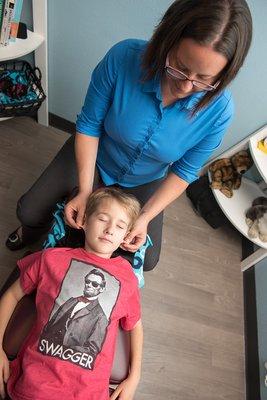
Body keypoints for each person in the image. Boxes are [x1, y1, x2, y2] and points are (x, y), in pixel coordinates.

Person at [6, 0, 253, 271]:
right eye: (180, 67)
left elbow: (185, 171)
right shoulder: (124, 57)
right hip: (97, 155)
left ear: (224, 75)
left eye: (203, 80)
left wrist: (145, 217)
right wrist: (86, 190)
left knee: (146, 259)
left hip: (145, 181)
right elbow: (89, 126)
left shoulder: (220, 111)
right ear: (165, 40)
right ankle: (32, 232)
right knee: (29, 211)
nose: (185, 86)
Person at [0, 188, 143, 400]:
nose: (110, 229)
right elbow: (11, 295)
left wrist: (135, 376)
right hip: (34, 386)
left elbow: (136, 325)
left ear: (125, 237)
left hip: (88, 392)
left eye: (120, 226)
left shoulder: (127, 278)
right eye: (103, 219)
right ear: (84, 221)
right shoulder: (50, 259)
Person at [42, 269, 108, 358]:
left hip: (64, 356)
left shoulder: (101, 317)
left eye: (94, 284)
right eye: (87, 282)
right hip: (43, 347)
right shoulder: (71, 300)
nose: (89, 285)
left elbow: (92, 350)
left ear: (102, 289)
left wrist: (66, 350)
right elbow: (50, 323)